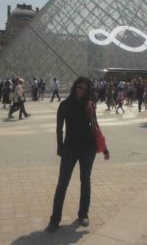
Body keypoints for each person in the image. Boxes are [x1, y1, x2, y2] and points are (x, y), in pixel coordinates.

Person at [47, 77, 110, 233]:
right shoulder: (65, 105)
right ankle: (55, 219)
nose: (81, 91)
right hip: (70, 148)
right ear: (74, 87)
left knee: (85, 181)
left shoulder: (90, 105)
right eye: (79, 87)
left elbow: (96, 126)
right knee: (62, 184)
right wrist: (60, 147)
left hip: (88, 148)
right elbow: (58, 128)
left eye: (84, 89)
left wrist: (105, 148)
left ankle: (83, 214)